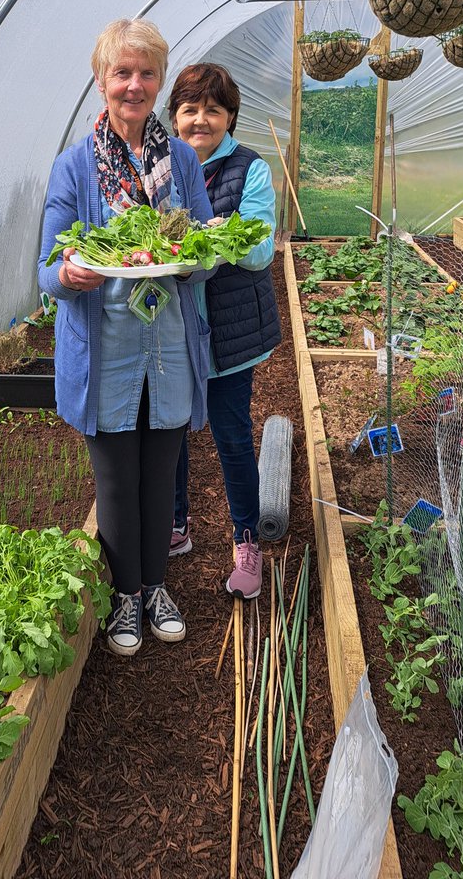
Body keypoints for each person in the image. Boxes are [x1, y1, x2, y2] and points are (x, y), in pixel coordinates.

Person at [38, 20, 214, 657]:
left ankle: (157, 586)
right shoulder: (76, 167)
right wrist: (67, 273)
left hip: (167, 344)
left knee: (161, 473)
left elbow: (202, 248)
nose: (133, 85)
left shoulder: (184, 161)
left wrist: (198, 257)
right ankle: (125, 599)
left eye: (145, 74)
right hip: (105, 349)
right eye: (122, 73)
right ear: (101, 80)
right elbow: (45, 271)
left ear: (159, 82)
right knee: (115, 481)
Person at [167, 63, 281, 599]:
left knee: (232, 437)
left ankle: (246, 540)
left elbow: (259, 251)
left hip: (230, 337)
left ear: (230, 116)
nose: (200, 120)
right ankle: (176, 524)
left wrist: (215, 234)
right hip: (174, 333)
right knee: (172, 432)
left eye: (213, 109)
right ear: (174, 118)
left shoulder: (250, 169)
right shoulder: (158, 171)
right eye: (190, 109)